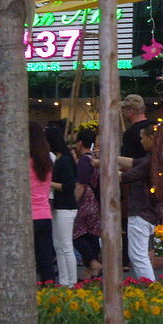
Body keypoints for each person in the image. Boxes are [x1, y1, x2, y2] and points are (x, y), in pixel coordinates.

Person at [118, 122, 160, 281]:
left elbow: (127, 176)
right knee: (139, 254)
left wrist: (106, 168)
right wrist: (110, 158)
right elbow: (135, 163)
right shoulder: (154, 158)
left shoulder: (151, 161)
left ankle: (150, 289)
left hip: (141, 211)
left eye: (143, 138)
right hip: (149, 211)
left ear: (151, 137)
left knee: (137, 255)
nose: (141, 141)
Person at [45, 125, 78, 287]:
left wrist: (48, 183)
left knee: (65, 245)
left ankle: (71, 282)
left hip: (66, 207)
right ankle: (64, 281)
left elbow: (69, 186)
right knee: (59, 245)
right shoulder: (60, 158)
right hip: (59, 206)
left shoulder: (64, 160)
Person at [120, 94, 149, 271]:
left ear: (131, 111)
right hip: (153, 184)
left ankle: (146, 279)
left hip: (135, 184)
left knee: (131, 227)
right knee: (148, 235)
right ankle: (149, 269)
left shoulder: (131, 133)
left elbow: (128, 164)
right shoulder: (154, 127)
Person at [28, 122, 55, 283]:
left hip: (27, 217)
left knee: (24, 261)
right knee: (46, 263)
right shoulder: (48, 160)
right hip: (45, 214)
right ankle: (50, 298)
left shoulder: (23, 161)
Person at [73, 128, 102, 279]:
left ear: (80, 143)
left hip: (86, 201)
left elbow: (81, 184)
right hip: (97, 202)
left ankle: (93, 263)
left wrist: (74, 201)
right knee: (91, 236)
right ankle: (91, 272)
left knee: (76, 234)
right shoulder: (96, 157)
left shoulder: (84, 160)